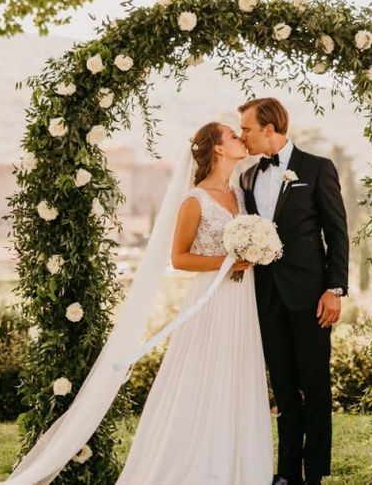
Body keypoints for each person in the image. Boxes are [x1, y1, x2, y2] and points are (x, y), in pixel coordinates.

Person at [116, 121, 274, 484]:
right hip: (211, 299)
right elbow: (180, 258)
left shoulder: (240, 194)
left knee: (239, 372)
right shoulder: (195, 199)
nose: (241, 138)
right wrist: (229, 262)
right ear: (218, 149)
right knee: (206, 375)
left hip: (243, 298)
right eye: (233, 135)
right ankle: (198, 464)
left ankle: (240, 464)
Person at [238, 98, 349, 485]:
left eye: (247, 129)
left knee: (315, 387)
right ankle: (287, 475)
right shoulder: (247, 177)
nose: (242, 136)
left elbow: (336, 233)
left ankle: (314, 473)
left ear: (270, 129)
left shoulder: (317, 168)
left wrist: (334, 289)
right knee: (283, 391)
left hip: (311, 297)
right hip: (267, 298)